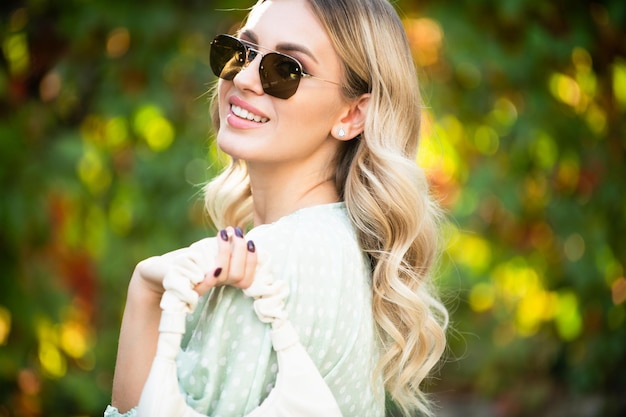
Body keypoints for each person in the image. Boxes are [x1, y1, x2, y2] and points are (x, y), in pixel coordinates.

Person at [105, 0, 448, 416]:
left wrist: (143, 291)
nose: (245, 78)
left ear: (353, 113)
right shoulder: (340, 244)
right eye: (242, 51)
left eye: (286, 69)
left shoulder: (274, 266)